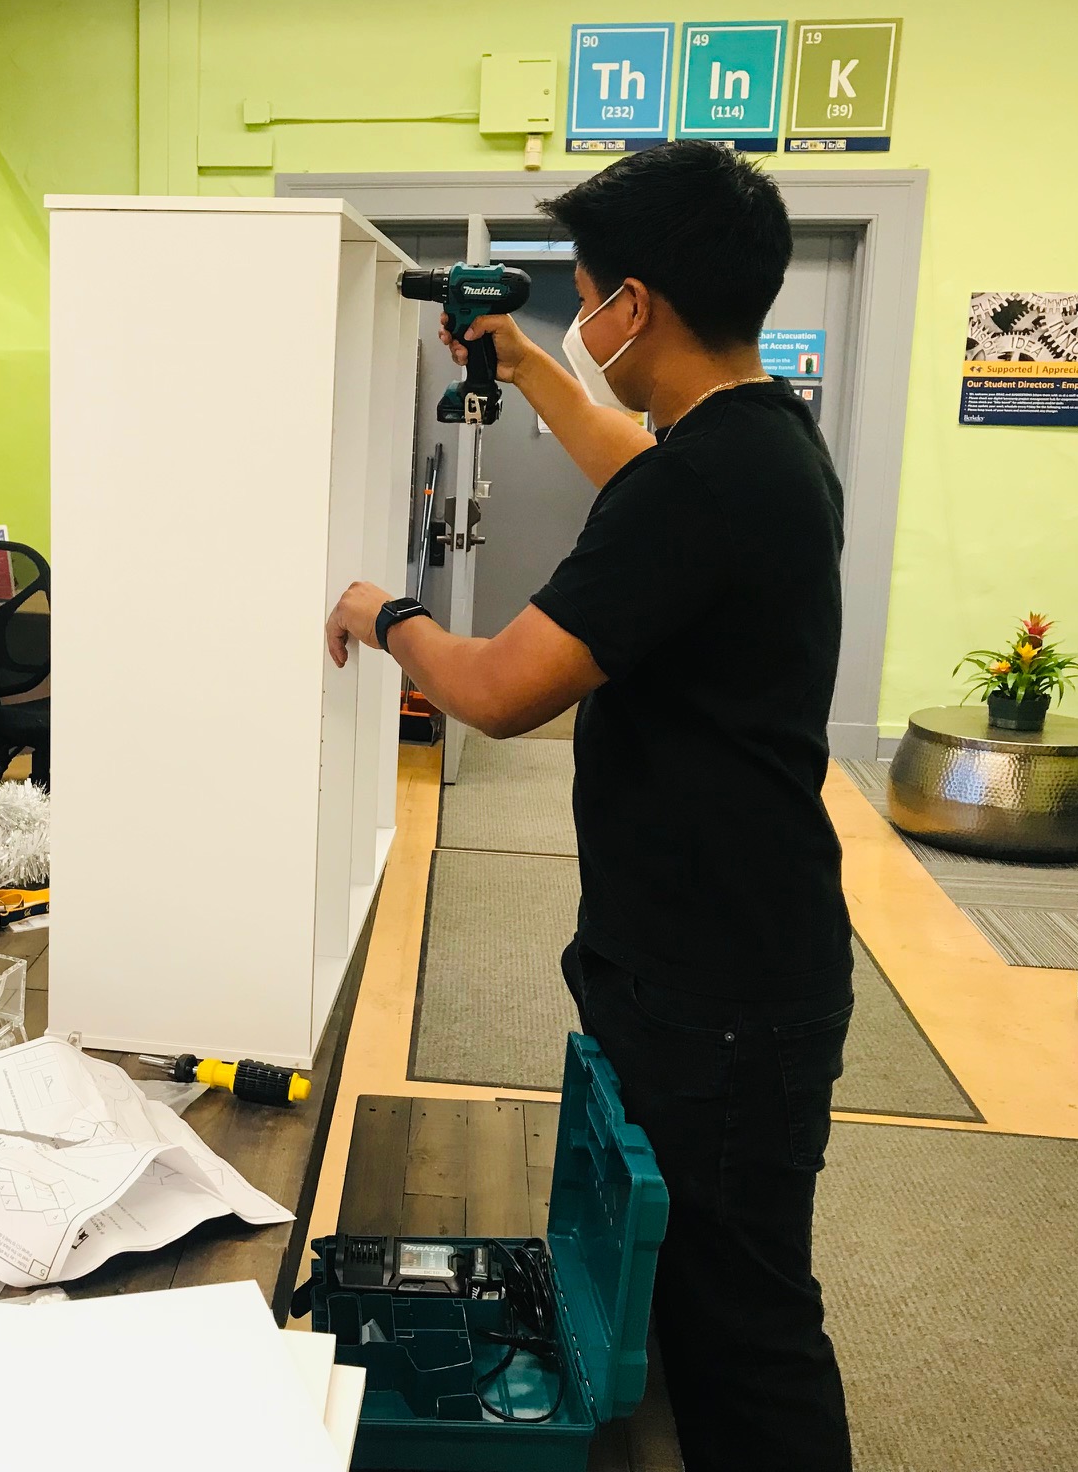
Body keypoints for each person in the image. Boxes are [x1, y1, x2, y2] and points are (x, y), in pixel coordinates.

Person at [325, 141, 853, 1470]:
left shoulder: (706, 481)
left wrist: (385, 615)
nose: (582, 318)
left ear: (641, 308)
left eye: (587, 296)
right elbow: (631, 460)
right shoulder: (761, 436)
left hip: (723, 977)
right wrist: (523, 358)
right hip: (729, 940)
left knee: (749, 1324)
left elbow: (502, 690)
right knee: (709, 1282)